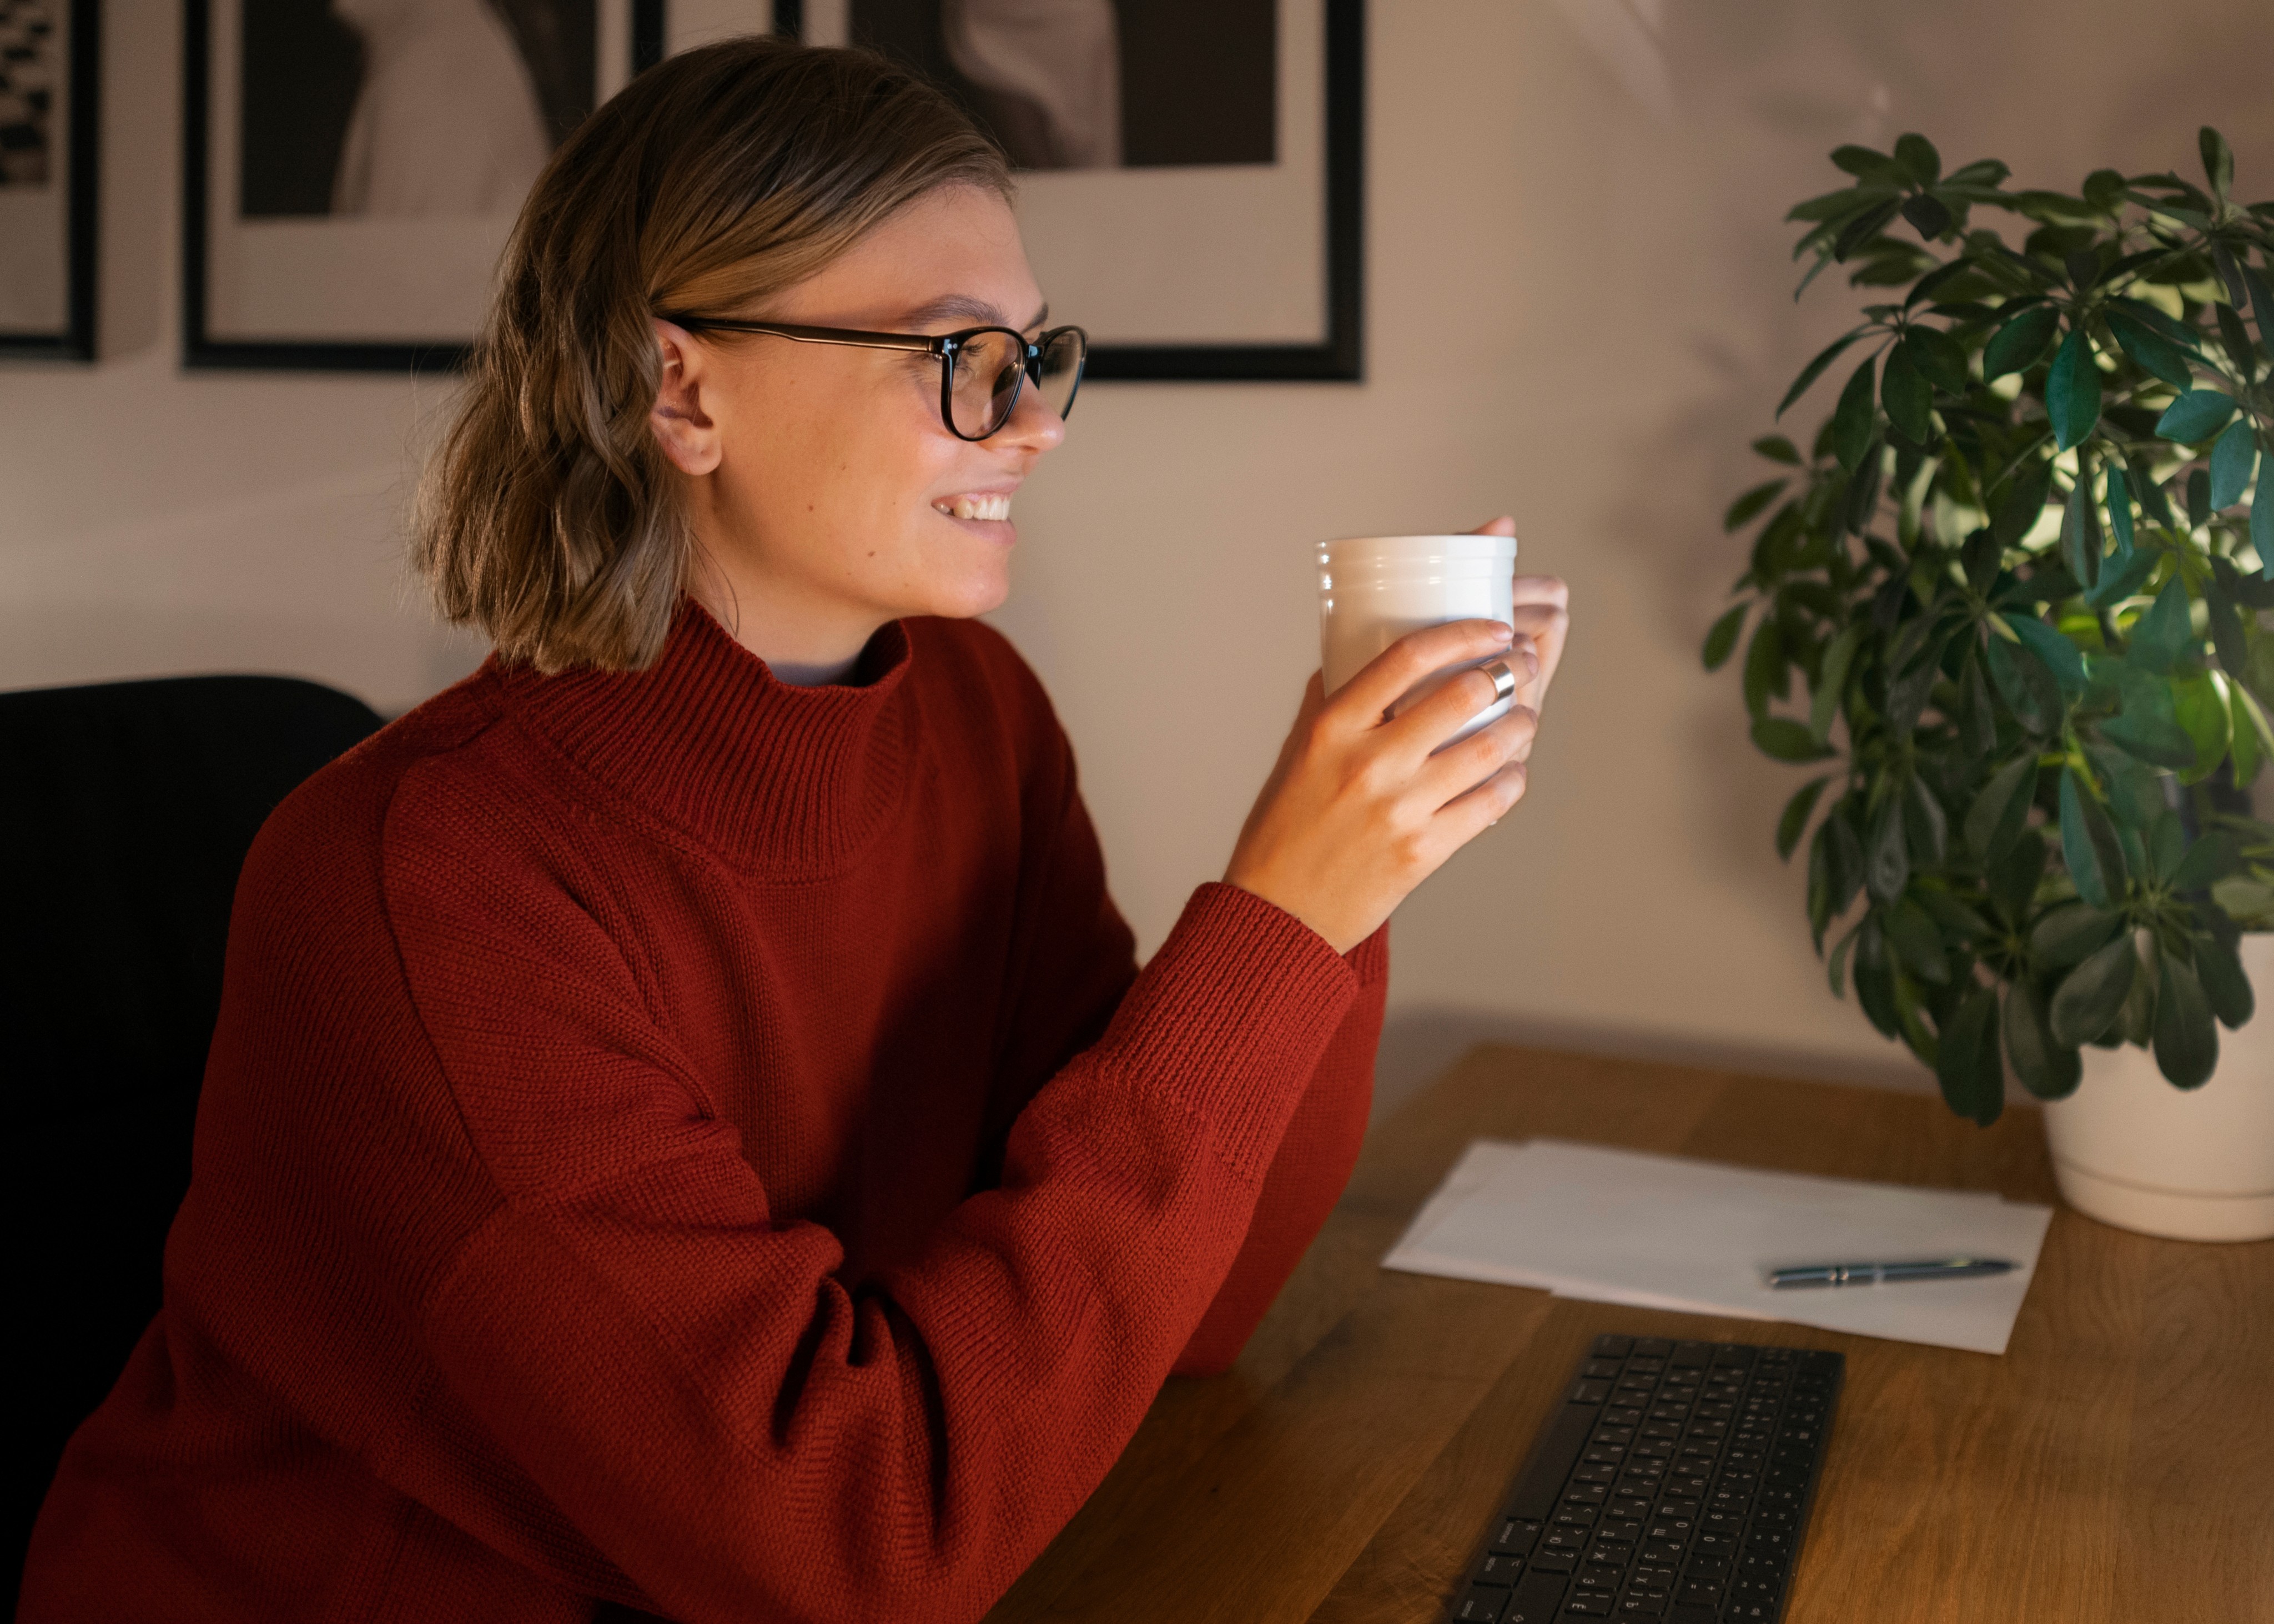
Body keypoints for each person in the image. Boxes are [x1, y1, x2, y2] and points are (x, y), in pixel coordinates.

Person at [20, 36, 1568, 1624]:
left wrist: (1353, 872)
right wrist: (1282, 916)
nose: (1032, 421)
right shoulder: (423, 886)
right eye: (957, 355)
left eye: (1038, 356)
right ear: (683, 390)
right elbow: (854, 1531)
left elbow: (1185, 1313)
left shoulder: (972, 713)